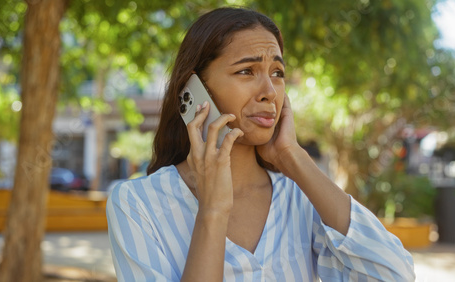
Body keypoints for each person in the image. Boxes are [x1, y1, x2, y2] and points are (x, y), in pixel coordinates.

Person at [107, 7, 416, 281]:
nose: (270, 90)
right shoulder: (136, 204)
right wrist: (213, 210)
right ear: (194, 89)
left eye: (277, 73)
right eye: (246, 71)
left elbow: (394, 275)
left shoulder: (302, 197)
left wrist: (291, 156)